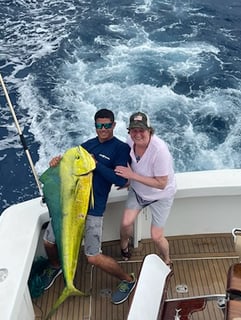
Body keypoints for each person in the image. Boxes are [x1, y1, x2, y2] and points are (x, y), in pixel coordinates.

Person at [41, 108, 136, 305]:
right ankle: (56, 265)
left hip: (93, 209)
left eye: (107, 125)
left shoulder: (120, 149)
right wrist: (57, 163)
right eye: (99, 125)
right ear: (95, 126)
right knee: (49, 242)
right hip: (70, 206)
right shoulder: (86, 147)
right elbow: (69, 167)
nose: (103, 129)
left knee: (93, 257)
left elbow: (119, 179)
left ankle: (127, 280)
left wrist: (96, 165)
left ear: (113, 125)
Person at [115, 112, 176, 266]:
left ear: (150, 130)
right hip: (137, 191)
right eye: (134, 130)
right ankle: (124, 248)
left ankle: (167, 259)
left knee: (156, 236)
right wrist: (127, 179)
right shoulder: (130, 141)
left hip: (160, 196)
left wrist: (132, 176)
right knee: (125, 223)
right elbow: (126, 161)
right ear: (129, 131)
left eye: (141, 130)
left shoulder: (160, 151)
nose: (137, 134)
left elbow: (161, 183)